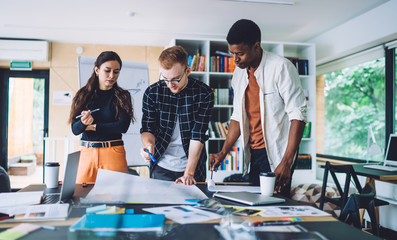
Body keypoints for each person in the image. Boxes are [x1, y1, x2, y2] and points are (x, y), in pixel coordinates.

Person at [209, 19, 307, 197]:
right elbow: (237, 116)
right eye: (232, 53)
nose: (235, 59)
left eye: (240, 53)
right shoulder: (239, 73)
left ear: (256, 46)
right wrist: (223, 152)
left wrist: (286, 162)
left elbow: (298, 114)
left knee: (275, 208)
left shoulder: (281, 68)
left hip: (278, 153)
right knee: (254, 208)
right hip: (253, 153)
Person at [140, 46, 214, 185]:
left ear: (188, 71)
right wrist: (149, 145)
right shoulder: (152, 92)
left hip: (192, 166)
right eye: (165, 79)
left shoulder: (204, 93)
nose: (170, 85)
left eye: (175, 79)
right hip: (161, 165)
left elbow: (198, 134)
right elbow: (147, 128)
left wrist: (188, 173)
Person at [69, 51, 134, 183]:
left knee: (116, 198)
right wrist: (82, 122)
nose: (111, 76)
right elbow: (75, 129)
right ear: (97, 70)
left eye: (116, 72)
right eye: (107, 70)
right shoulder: (83, 95)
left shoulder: (122, 96)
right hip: (87, 153)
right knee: (81, 196)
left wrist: (93, 127)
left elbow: (122, 126)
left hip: (113, 152)